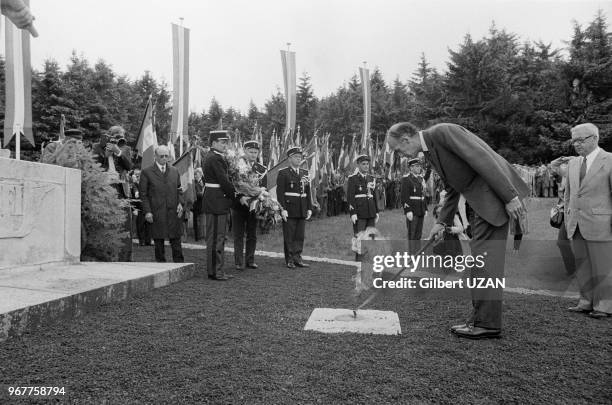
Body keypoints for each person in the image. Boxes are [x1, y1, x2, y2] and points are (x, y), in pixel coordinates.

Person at [387, 122, 528, 339]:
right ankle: (483, 319)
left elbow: (483, 158)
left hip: (494, 197)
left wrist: (510, 197)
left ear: (406, 139)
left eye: (398, 149)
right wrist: (441, 222)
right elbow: (453, 186)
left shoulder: (443, 133)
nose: (401, 155)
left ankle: (487, 323)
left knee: (484, 260)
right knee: (481, 260)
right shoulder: (430, 149)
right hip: (483, 200)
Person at [564, 123, 612, 318]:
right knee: (583, 265)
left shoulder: (609, 160)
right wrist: (568, 216)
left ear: (594, 138)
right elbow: (568, 194)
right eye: (573, 140)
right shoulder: (573, 163)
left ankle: (604, 305)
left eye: (580, 140)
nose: (576, 144)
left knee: (603, 266)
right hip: (576, 224)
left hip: (602, 224)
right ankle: (585, 301)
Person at [202, 130, 249, 281]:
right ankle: (216, 271)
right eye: (222, 142)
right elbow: (224, 181)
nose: (225, 145)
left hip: (216, 200)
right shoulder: (215, 158)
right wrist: (237, 195)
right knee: (217, 238)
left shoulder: (215, 157)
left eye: (226, 142)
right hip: (216, 201)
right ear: (214, 142)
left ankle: (216, 270)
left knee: (217, 237)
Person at [139, 145, 184, 263]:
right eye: (161, 156)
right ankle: (161, 265)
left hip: (173, 212)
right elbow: (143, 195)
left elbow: (179, 189)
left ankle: (179, 265)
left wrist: (180, 203)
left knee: (176, 240)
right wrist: (147, 211)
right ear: (155, 157)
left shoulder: (174, 171)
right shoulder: (146, 172)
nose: (164, 158)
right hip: (157, 212)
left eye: (166, 156)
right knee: (158, 241)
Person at [231, 140, 267, 271]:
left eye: (255, 152)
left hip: (254, 206)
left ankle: (250, 260)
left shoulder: (261, 169)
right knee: (238, 235)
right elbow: (233, 185)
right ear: (245, 151)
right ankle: (239, 261)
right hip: (239, 204)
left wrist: (260, 197)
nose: (253, 154)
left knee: (252, 234)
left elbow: (264, 187)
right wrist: (240, 197)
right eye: (250, 152)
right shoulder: (236, 166)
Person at [277, 147, 313, 268]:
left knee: (299, 236)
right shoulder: (283, 173)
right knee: (289, 235)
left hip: (302, 208)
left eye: (300, 157)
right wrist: (282, 209)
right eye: (296, 157)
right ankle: (290, 259)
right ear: (289, 158)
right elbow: (280, 193)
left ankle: (298, 258)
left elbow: (308, 192)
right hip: (290, 209)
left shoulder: (304, 173)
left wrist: (309, 208)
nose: (299, 159)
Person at [347, 154, 379, 261]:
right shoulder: (353, 179)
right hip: (359, 213)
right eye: (363, 164)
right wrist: (353, 213)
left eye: (367, 164)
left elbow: (374, 196)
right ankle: (359, 261)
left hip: (371, 212)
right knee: (360, 237)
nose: (366, 166)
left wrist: (376, 212)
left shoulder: (371, 178)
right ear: (358, 165)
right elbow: (350, 197)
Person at [550, 156, 576, 276]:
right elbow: (553, 164)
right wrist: (564, 158)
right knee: (562, 242)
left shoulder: (580, 176)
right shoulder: (561, 178)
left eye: (567, 166)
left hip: (579, 213)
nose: (563, 168)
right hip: (566, 214)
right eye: (563, 168)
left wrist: (574, 159)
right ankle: (572, 269)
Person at [401, 158, 428, 254]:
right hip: (412, 210)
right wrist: (408, 210)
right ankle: (411, 255)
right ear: (411, 167)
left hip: (420, 209)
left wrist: (425, 208)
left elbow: (423, 195)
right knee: (412, 234)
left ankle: (417, 253)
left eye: (419, 166)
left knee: (418, 234)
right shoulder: (407, 179)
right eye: (417, 166)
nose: (419, 168)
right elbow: (404, 196)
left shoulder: (421, 179)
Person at [130, 169, 152, 246]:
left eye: (139, 174)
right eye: (136, 174)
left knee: (148, 225)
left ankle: (148, 241)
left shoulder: (145, 183)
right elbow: (134, 193)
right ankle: (141, 241)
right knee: (140, 225)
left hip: (147, 207)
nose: (137, 175)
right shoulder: (132, 184)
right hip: (138, 207)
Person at [193, 167, 205, 241]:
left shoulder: (204, 181)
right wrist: (203, 194)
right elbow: (195, 194)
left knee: (203, 221)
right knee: (196, 221)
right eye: (194, 174)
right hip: (196, 204)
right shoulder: (194, 183)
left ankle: (203, 235)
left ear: (200, 174)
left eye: (196, 174)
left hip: (203, 204)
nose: (195, 176)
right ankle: (196, 237)